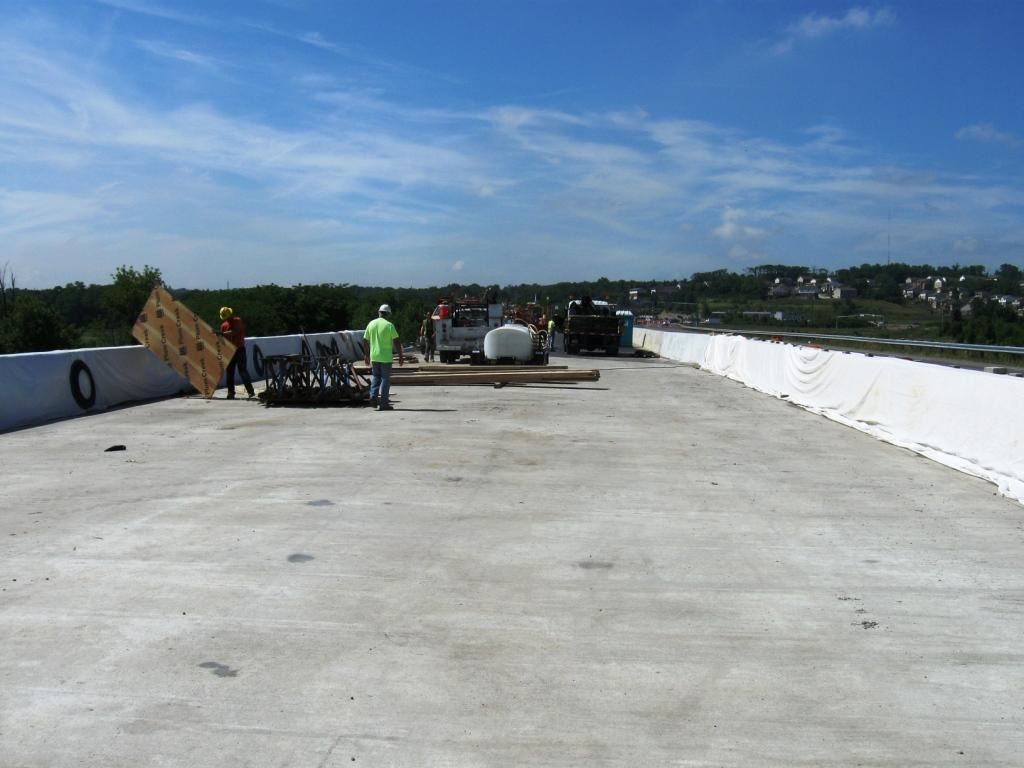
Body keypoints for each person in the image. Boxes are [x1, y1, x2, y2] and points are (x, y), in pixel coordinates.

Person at [362, 304, 404, 410]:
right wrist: (400, 355)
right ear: (388, 314)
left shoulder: (371, 324)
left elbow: (365, 340)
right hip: (385, 357)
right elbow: (396, 341)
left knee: (376, 377)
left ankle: (373, 395)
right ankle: (384, 403)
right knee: (385, 379)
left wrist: (366, 355)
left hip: (374, 356)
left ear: (379, 312)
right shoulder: (389, 325)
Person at [219, 306, 256, 399]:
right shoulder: (232, 322)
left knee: (237, 371)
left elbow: (234, 332)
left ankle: (243, 392)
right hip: (235, 349)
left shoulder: (232, 323)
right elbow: (223, 339)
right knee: (235, 371)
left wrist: (222, 334)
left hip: (236, 350)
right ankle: (234, 392)